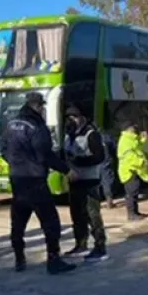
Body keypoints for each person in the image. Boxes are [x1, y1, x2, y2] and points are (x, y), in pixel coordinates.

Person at [0, 92, 76, 274]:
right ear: (38, 106)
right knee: (50, 221)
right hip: (35, 180)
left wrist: (16, 164)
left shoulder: (10, 125)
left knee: (18, 223)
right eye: (42, 106)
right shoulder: (37, 127)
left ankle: (19, 259)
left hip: (17, 179)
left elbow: (3, 148)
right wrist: (66, 170)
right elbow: (45, 154)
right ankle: (54, 260)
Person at [62, 107, 108, 262]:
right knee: (77, 214)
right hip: (74, 181)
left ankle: (100, 246)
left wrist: (79, 161)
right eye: (68, 117)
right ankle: (80, 244)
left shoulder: (91, 134)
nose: (71, 120)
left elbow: (99, 157)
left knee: (92, 215)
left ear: (82, 117)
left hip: (90, 180)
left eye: (74, 116)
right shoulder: (68, 136)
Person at [117, 122, 148, 222]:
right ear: (128, 129)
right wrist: (142, 162)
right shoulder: (125, 140)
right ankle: (131, 214)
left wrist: (143, 139)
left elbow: (137, 147)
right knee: (131, 194)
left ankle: (135, 212)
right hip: (129, 171)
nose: (135, 128)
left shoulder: (131, 139)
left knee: (134, 193)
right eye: (132, 127)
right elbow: (129, 157)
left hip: (133, 170)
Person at [100, 132, 117, 209]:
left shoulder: (88, 136)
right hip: (106, 162)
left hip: (94, 163)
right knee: (107, 181)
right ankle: (109, 201)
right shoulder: (106, 136)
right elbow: (114, 148)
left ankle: (95, 203)